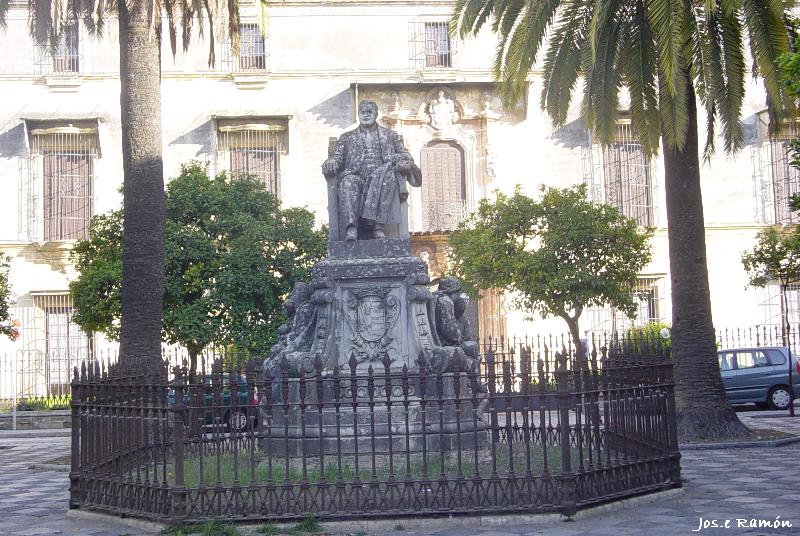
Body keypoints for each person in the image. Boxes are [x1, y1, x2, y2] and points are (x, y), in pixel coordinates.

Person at [322, 100, 422, 241]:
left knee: (388, 180)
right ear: (358, 115)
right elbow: (337, 157)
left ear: (376, 114)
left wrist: (397, 159)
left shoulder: (390, 135)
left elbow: (405, 155)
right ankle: (351, 228)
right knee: (348, 183)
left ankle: (378, 227)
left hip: (382, 175)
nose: (366, 115)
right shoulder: (346, 137)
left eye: (369, 112)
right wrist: (331, 161)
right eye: (362, 112)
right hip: (356, 175)